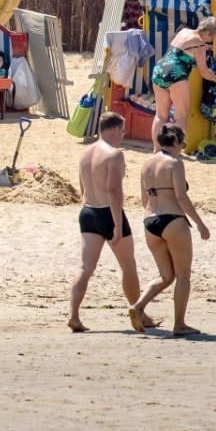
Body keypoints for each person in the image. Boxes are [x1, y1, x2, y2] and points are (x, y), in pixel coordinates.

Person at [68, 112, 156, 333]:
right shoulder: (114, 155)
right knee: (128, 266)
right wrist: (116, 224)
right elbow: (114, 191)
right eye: (123, 132)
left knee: (85, 268)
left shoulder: (85, 153)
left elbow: (82, 189)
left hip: (88, 211)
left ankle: (74, 315)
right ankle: (139, 312)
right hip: (108, 212)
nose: (123, 136)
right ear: (116, 130)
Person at [129, 124, 212, 336]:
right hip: (173, 220)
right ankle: (180, 324)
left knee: (166, 276)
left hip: (150, 222)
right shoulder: (175, 163)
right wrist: (200, 224)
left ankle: (138, 306)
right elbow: (181, 197)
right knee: (183, 276)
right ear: (175, 142)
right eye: (182, 143)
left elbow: (143, 199)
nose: (182, 147)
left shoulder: (146, 164)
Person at [150, 16, 216, 151]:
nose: (211, 42)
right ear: (207, 32)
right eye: (212, 38)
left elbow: (182, 50)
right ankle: (175, 151)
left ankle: (157, 150)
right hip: (176, 74)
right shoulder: (200, 44)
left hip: (159, 69)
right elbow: (204, 72)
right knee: (181, 117)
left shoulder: (183, 32)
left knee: (160, 115)